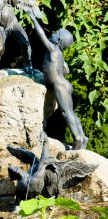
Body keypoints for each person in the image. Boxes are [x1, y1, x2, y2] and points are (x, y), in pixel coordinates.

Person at [26, 11, 88, 150]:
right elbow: (66, 70)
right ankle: (83, 137)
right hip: (63, 84)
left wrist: (33, 19)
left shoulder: (53, 49)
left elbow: (41, 35)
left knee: (66, 113)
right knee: (70, 112)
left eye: (55, 34)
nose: (52, 34)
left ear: (59, 41)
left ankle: (77, 139)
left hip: (59, 86)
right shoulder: (59, 54)